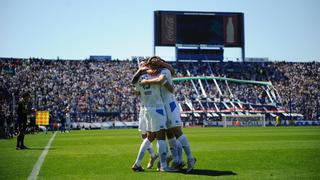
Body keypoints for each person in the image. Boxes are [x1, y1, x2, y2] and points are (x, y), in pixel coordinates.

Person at [141, 56, 196, 172]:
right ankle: (175, 161)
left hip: (170, 105)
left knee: (177, 132)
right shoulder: (156, 72)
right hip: (162, 107)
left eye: (156, 63)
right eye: (153, 64)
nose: (154, 65)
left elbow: (166, 84)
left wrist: (146, 81)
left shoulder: (164, 71)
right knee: (168, 133)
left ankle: (190, 158)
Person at [131, 60, 173, 172]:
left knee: (150, 137)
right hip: (157, 108)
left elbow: (134, 84)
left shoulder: (139, 79)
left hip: (147, 109)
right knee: (161, 136)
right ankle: (164, 166)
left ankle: (137, 163)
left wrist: (139, 72)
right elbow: (165, 78)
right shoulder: (155, 76)